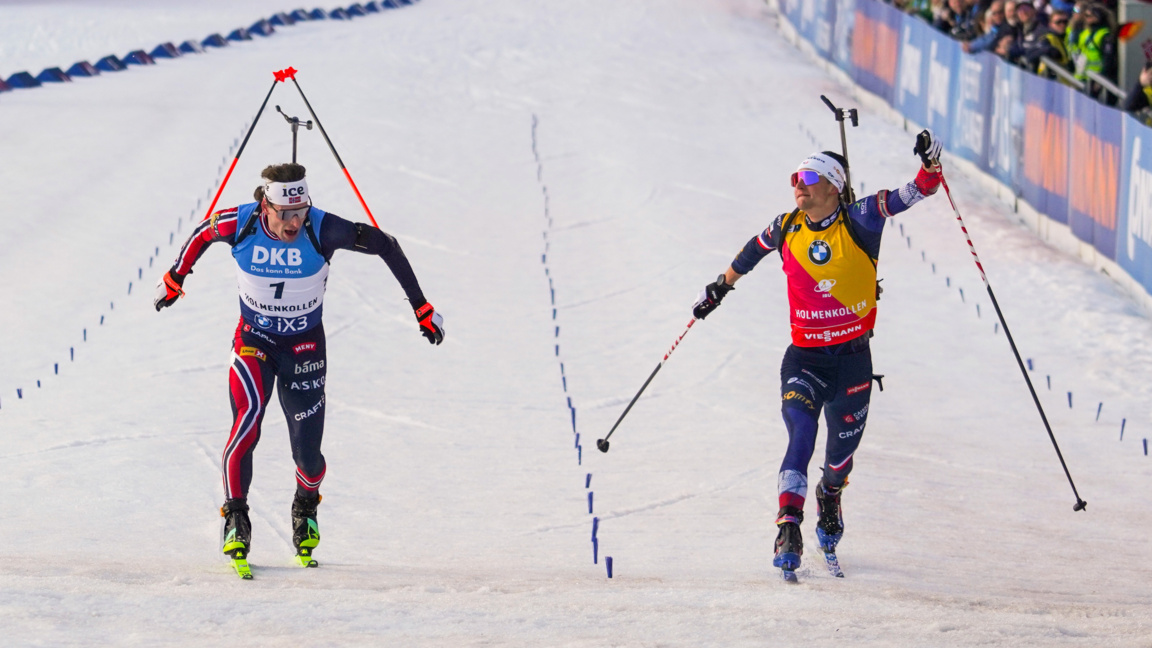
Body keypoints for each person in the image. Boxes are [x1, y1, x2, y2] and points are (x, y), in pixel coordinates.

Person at [155, 163, 444, 574]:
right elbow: (204, 231)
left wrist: (421, 307)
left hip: (305, 348)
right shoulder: (241, 222)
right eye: (285, 213)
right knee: (247, 421)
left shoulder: (322, 228)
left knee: (308, 456)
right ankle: (236, 516)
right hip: (254, 341)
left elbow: (387, 245)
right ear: (265, 205)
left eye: (300, 211)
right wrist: (175, 276)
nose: (294, 222)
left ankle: (306, 503)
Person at [690, 131, 944, 579]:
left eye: (808, 177)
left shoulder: (862, 217)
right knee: (800, 436)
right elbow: (752, 251)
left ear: (833, 185)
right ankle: (788, 524)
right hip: (805, 359)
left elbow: (918, 191)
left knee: (839, 456)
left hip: (852, 361)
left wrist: (931, 166)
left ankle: (831, 494)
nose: (798, 185)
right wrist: (720, 288)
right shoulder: (787, 225)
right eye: (795, 177)